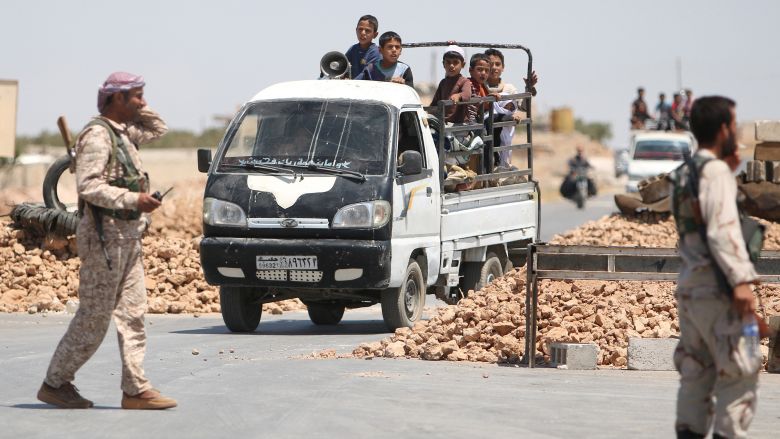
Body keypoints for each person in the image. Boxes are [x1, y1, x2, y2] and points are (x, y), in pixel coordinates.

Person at [37, 72, 177, 410]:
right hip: (104, 239)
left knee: (133, 314)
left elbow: (159, 128)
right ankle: (55, 383)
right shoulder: (99, 136)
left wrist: (136, 104)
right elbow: (89, 187)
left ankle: (136, 389)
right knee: (95, 318)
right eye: (136, 96)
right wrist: (134, 201)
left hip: (128, 237)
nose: (143, 102)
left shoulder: (125, 133)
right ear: (117, 99)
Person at [668, 96, 761, 439]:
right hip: (719, 289)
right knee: (738, 374)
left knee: (696, 373)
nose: (735, 131)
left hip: (691, 289)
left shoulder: (683, 173)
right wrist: (740, 281)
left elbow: (698, 214)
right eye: (734, 126)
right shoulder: (717, 172)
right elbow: (721, 229)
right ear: (724, 129)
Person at [484, 48, 538, 166]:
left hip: (505, 133)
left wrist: (528, 89)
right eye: (490, 64)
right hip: (486, 130)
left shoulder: (509, 88)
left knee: (503, 157)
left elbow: (523, 107)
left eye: (498, 64)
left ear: (503, 67)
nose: (494, 68)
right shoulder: (480, 86)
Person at [429, 45, 472, 124]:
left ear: (463, 65)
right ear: (443, 64)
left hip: (458, 124)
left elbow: (467, 94)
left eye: (455, 62)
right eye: (448, 62)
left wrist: (458, 96)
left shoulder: (464, 81)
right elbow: (435, 103)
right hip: (443, 122)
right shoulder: (443, 83)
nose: (451, 66)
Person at [344, 14, 380, 79]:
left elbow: (365, 74)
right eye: (360, 29)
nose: (363, 33)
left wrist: (350, 83)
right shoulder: (353, 49)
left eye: (367, 30)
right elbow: (343, 65)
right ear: (356, 30)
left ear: (375, 35)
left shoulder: (375, 52)